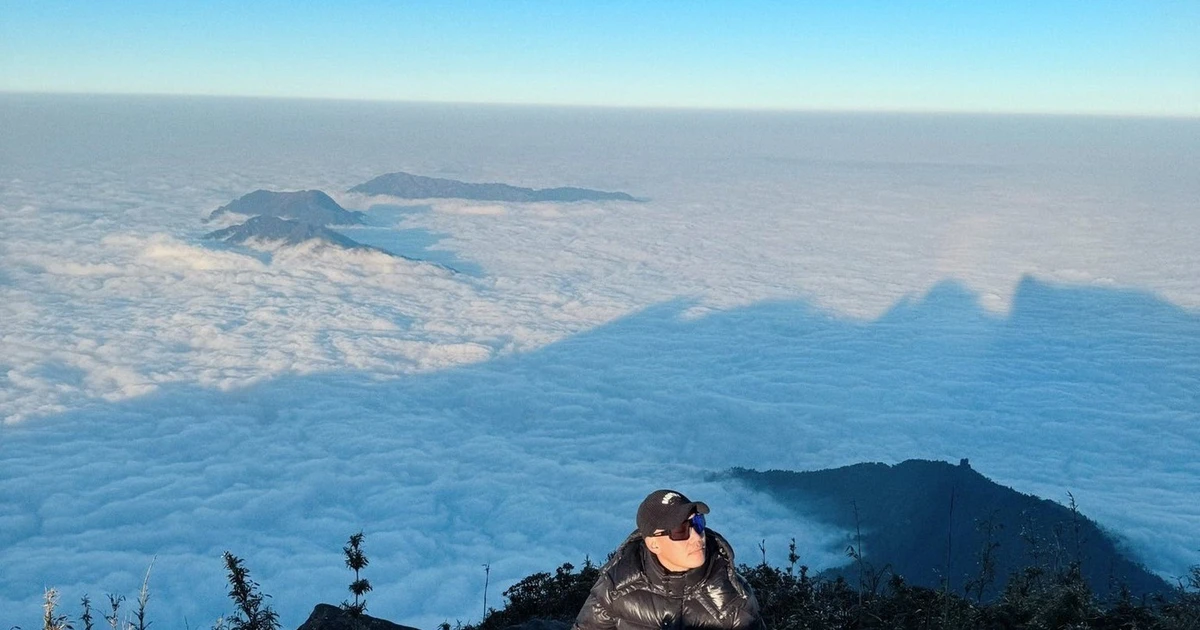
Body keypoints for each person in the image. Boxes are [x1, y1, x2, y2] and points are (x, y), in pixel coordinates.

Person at [574, 489, 765, 630]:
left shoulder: (732, 599)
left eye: (698, 524)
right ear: (653, 544)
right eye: (680, 531)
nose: (697, 537)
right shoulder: (616, 586)